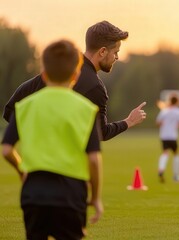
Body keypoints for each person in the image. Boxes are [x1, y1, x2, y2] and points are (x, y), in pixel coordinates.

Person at [1, 40, 103, 239]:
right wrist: (96, 197)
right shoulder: (87, 110)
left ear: (44, 73)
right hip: (71, 194)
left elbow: (6, 150)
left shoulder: (25, 106)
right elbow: (93, 159)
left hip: (33, 193)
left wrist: (22, 170)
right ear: (76, 74)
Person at [2, 20, 146, 141]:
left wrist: (37, 136)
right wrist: (129, 121)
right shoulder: (95, 87)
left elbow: (10, 109)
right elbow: (100, 133)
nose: (117, 58)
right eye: (116, 52)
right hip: (66, 168)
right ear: (102, 52)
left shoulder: (61, 67)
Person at [156, 92, 179, 183]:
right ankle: (176, 176)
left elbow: (158, 123)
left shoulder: (164, 111)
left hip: (164, 136)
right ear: (178, 101)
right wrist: (177, 124)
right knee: (176, 154)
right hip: (173, 136)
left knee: (165, 153)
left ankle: (161, 169)